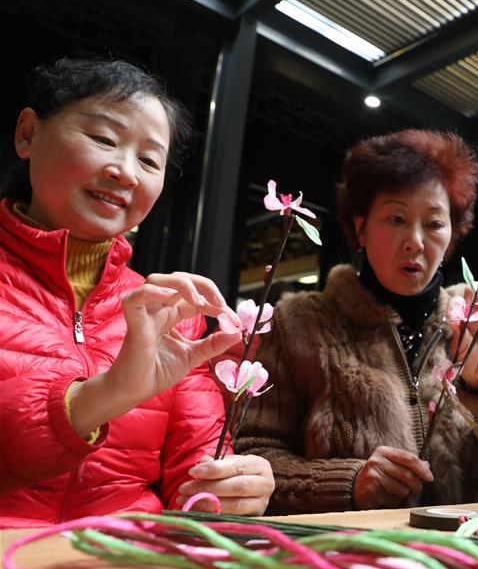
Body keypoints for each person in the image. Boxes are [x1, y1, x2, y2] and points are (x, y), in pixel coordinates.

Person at [0, 58, 275, 526]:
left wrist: (228, 485)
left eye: (149, 160)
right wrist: (110, 392)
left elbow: (194, 471)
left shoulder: (168, 311)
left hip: (123, 565)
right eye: (104, 139)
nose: (126, 172)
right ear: (28, 134)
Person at [235, 129, 478, 513]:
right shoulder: (300, 323)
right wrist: (349, 484)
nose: (416, 241)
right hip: (350, 559)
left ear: (454, 233)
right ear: (361, 229)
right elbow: (253, 456)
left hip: (469, 554)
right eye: (396, 218)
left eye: (435, 223)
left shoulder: (475, 320)